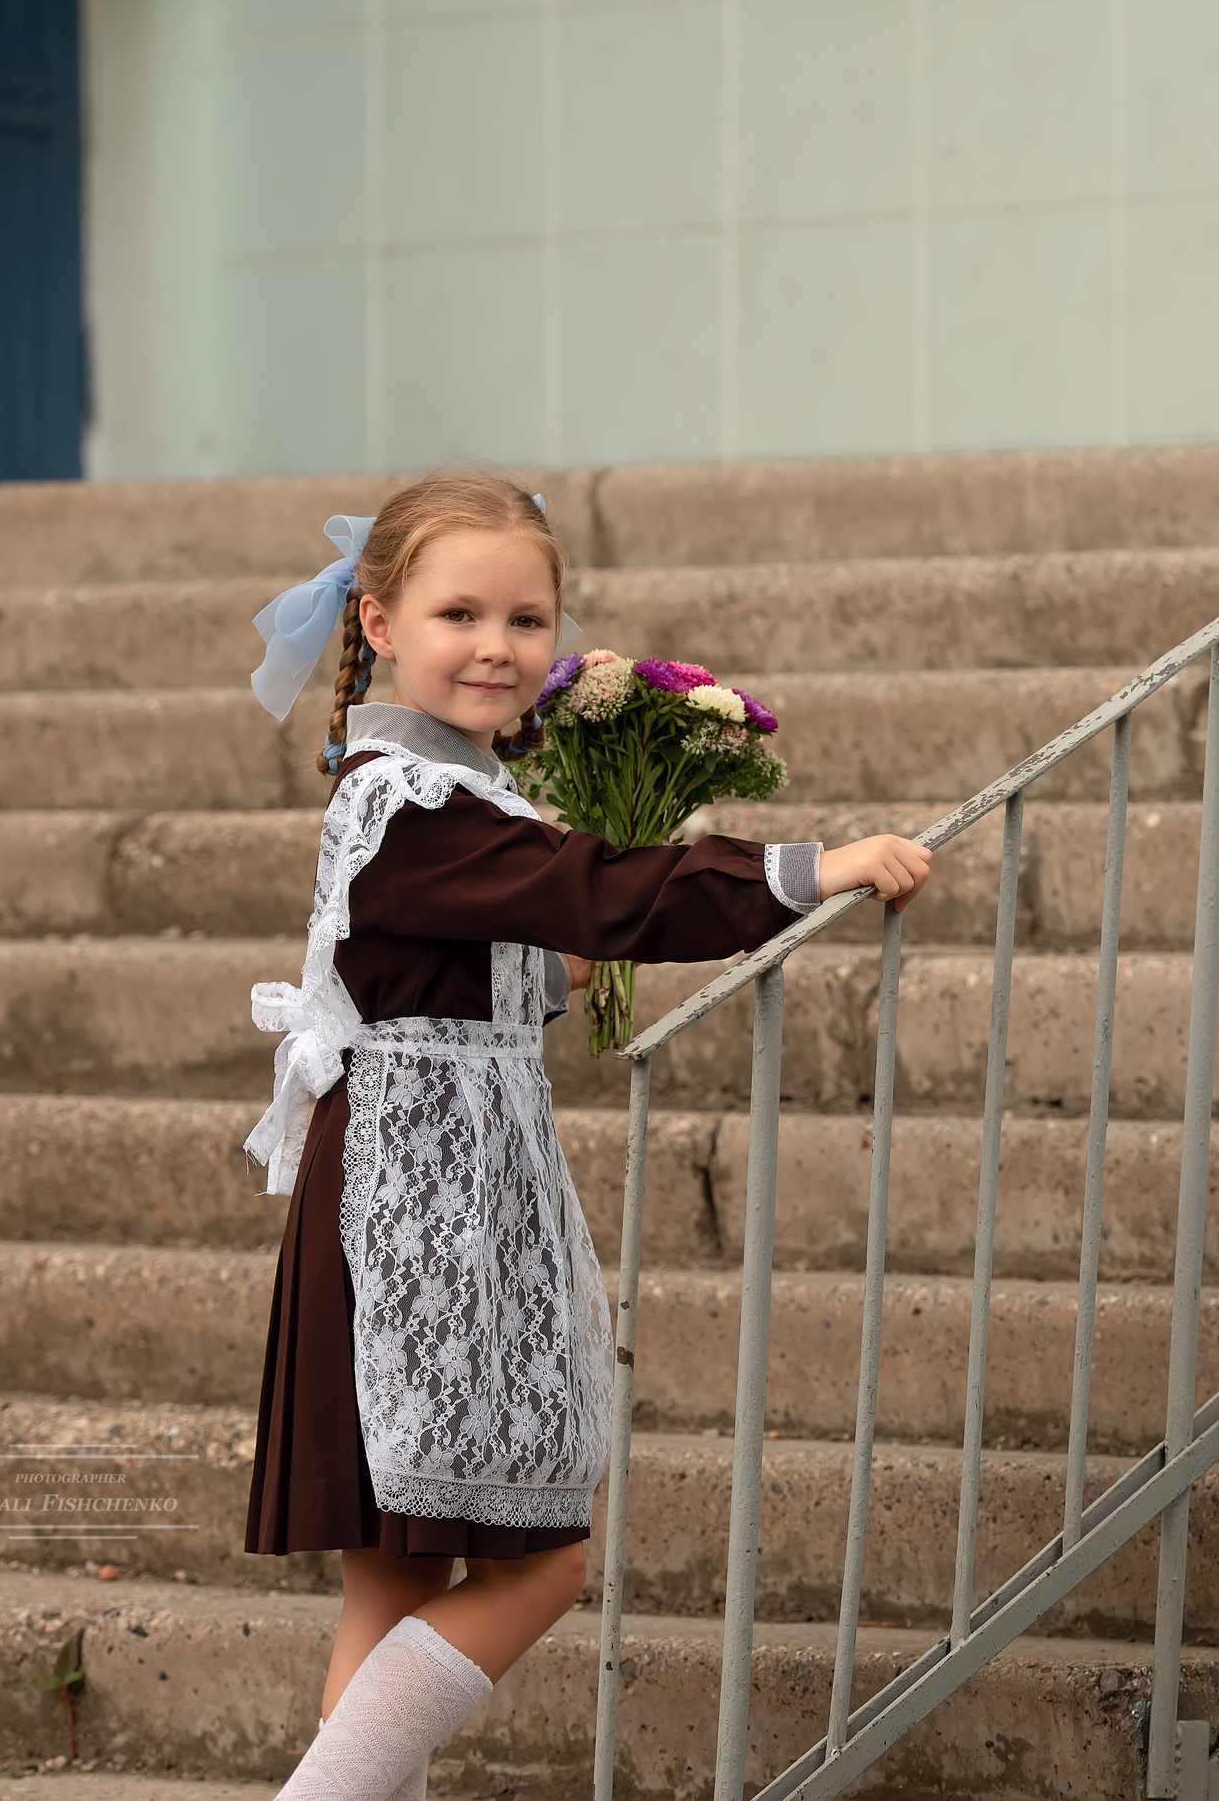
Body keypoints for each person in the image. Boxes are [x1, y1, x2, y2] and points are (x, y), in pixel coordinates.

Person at [235, 468, 929, 1799]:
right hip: (413, 1207)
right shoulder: (406, 807)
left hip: (437, 1179)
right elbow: (590, 891)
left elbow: (551, 908)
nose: (495, 645)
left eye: (525, 617)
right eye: (458, 613)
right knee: (543, 1553)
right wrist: (806, 867)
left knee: (395, 1579)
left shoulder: (460, 798)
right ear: (377, 621)